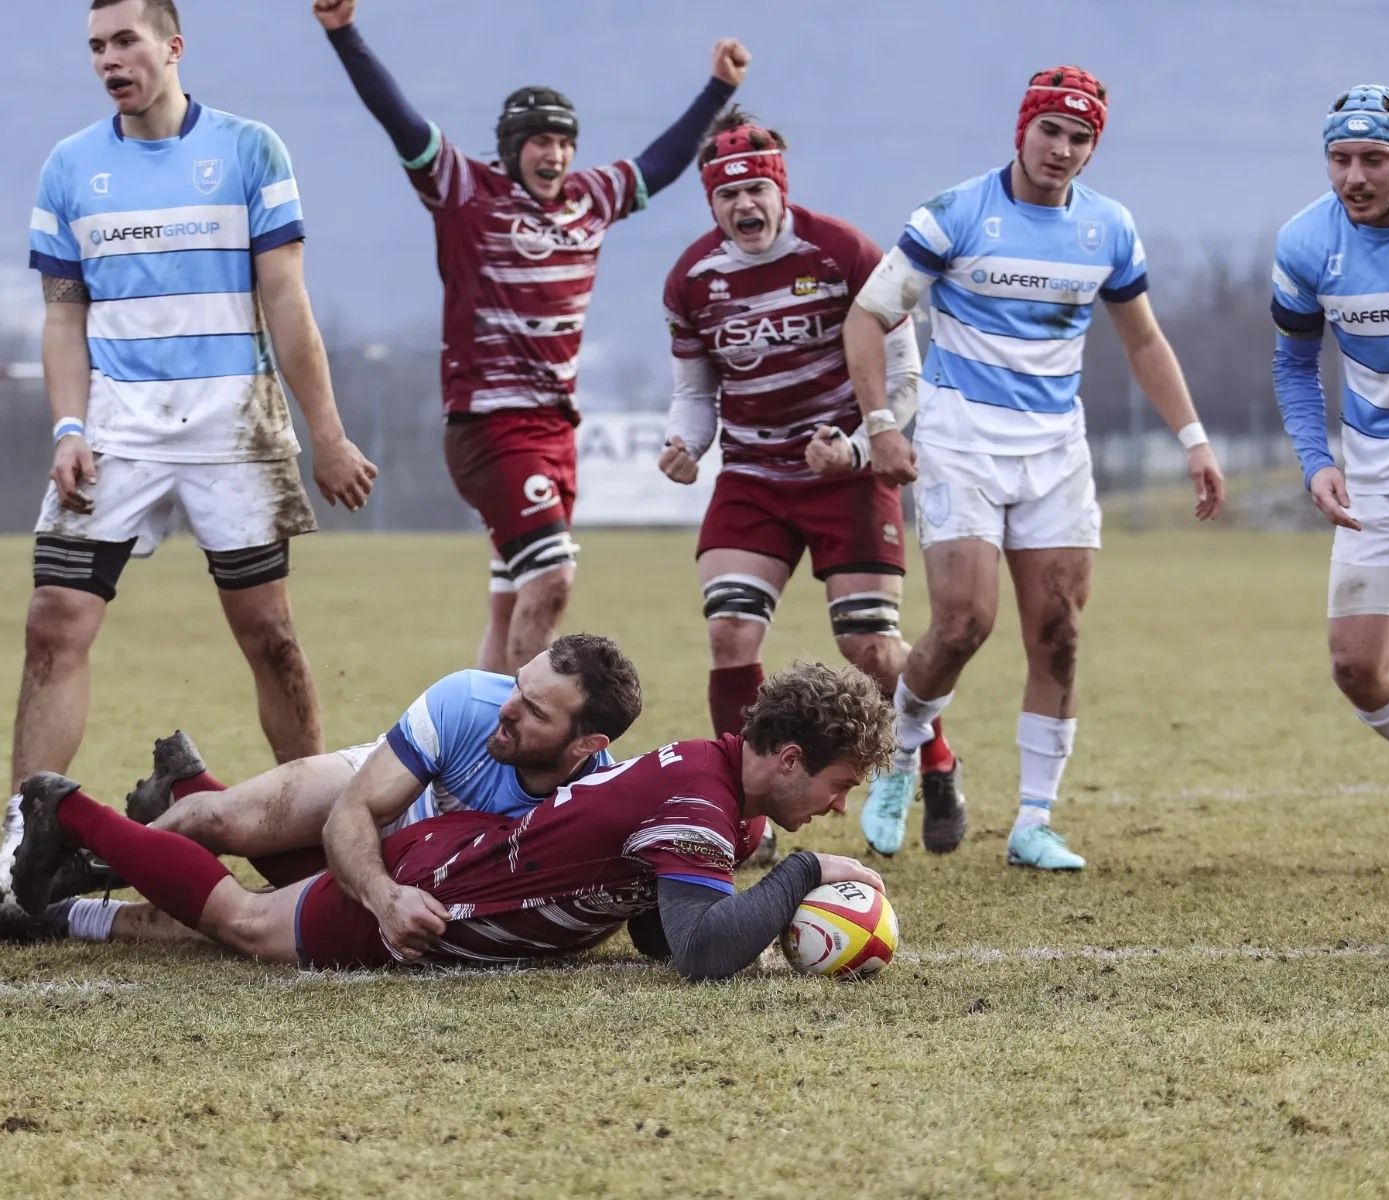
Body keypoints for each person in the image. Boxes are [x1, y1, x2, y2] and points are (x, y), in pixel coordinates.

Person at [3, 0, 376, 898]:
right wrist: (68, 427)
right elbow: (63, 316)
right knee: (53, 623)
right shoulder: (70, 166)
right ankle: (20, 848)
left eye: (125, 41)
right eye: (97, 46)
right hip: (116, 430)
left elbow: (287, 301)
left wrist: (325, 434)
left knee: (270, 636)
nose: (109, 59)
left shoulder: (250, 150)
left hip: (234, 429)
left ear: (173, 46)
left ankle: (316, 836)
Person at [843, 65, 1225, 867]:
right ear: (1022, 129)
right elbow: (868, 315)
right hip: (962, 442)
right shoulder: (954, 213)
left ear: (1093, 149)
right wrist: (880, 425)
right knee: (962, 623)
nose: (1062, 148)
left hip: (1055, 450)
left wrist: (1192, 438)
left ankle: (1033, 823)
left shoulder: (1108, 228)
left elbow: (1144, 341)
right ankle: (901, 754)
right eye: (1050, 129)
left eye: (1079, 137)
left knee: (1059, 634)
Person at [312, 0, 750, 673]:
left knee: (512, 600)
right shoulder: (464, 189)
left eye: (564, 142)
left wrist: (718, 89)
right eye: (541, 141)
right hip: (490, 427)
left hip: (555, 429)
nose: (555, 154)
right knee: (551, 580)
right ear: (514, 148)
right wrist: (346, 34)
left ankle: (480, 735)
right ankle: (528, 731)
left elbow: (659, 164)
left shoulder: (590, 198)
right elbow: (398, 118)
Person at [10, 665, 892, 982]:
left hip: (459, 859)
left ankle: (131, 840)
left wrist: (761, 909)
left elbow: (660, 928)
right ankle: (67, 811)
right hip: (444, 892)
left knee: (277, 895)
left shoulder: (712, 790)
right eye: (840, 785)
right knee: (242, 924)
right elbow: (699, 956)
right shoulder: (701, 804)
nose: (837, 807)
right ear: (787, 758)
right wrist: (805, 876)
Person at [658, 110, 961, 863]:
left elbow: (905, 376)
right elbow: (695, 392)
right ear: (711, 202)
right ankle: (741, 812)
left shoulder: (844, 252)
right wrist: (685, 444)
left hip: (847, 477)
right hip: (753, 477)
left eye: (756, 189)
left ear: (780, 189)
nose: (744, 205)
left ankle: (934, 756)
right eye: (727, 195)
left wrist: (856, 448)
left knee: (870, 648)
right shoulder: (691, 280)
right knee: (730, 633)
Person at [37, 634, 643, 947]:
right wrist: (384, 899)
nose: (507, 708)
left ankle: (164, 808)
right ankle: (90, 862)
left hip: (421, 864)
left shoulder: (594, 804)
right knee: (226, 822)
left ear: (585, 745)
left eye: (534, 710)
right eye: (517, 684)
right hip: (382, 797)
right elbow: (352, 812)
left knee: (243, 920)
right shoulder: (466, 700)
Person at [1272, 85, 1389, 875]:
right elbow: (1294, 363)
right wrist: (1317, 461)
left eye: (1373, 159)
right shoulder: (1307, 243)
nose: (1355, 177)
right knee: (1357, 666)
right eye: (1340, 159)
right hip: (1379, 468)